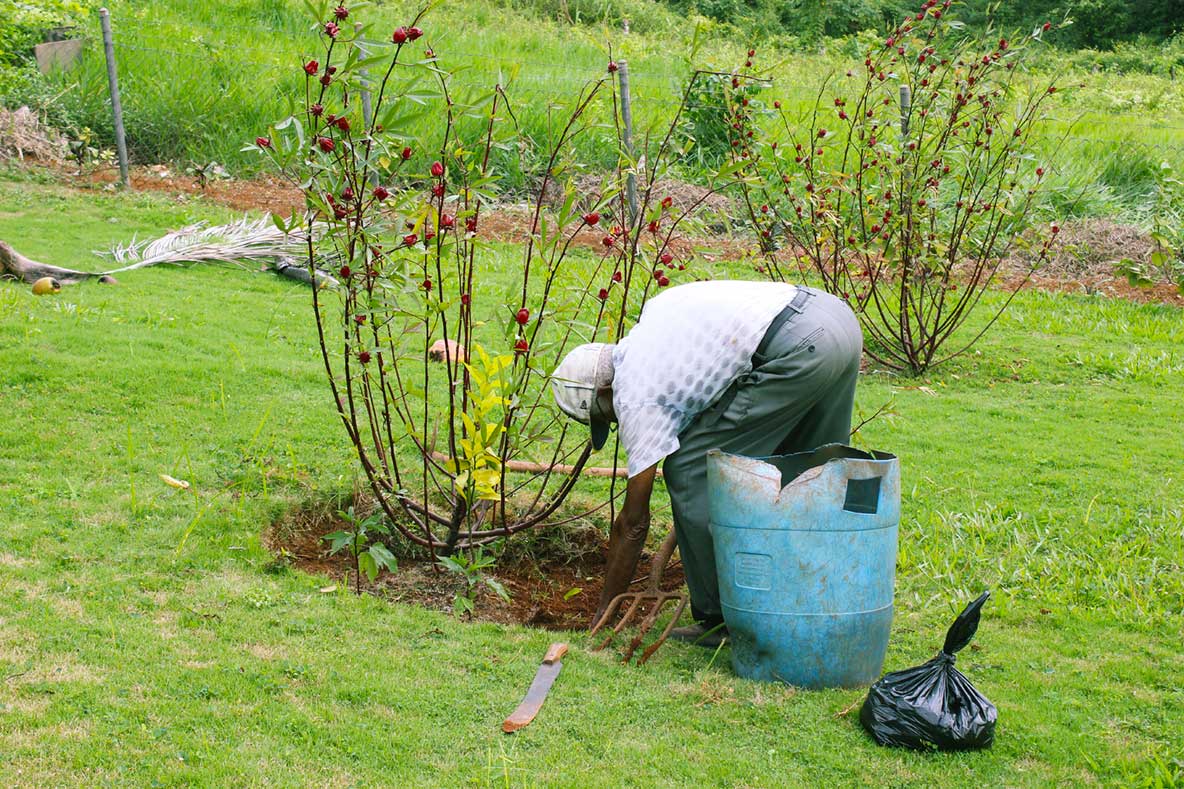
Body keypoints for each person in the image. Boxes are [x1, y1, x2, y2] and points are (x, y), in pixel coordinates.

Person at [550, 280, 863, 647]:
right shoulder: (654, 323)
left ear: (604, 391)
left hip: (797, 348)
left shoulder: (634, 393)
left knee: (690, 469)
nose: (615, 421)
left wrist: (605, 610)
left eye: (606, 415)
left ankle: (722, 618)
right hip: (836, 321)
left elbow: (633, 523)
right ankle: (822, 602)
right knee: (809, 469)